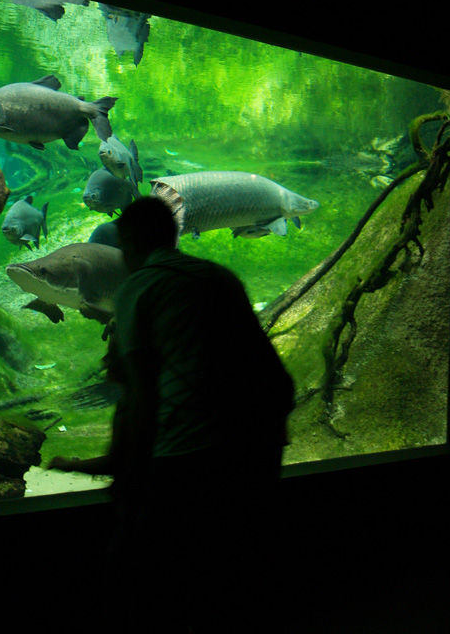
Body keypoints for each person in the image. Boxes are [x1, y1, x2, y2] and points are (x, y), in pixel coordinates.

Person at [55, 196, 295, 631]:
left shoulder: (138, 286)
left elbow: (140, 392)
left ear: (128, 244)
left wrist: (122, 467)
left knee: (145, 567)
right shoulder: (217, 275)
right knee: (240, 563)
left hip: (196, 447)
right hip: (262, 436)